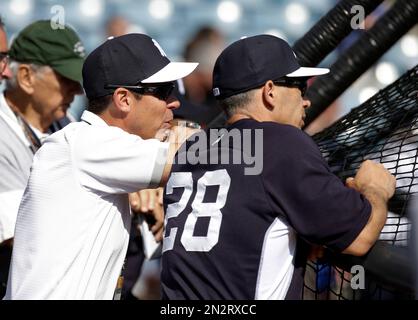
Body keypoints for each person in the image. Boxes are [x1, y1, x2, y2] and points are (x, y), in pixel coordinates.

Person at [161, 34, 396, 299]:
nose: (305, 100)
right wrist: (375, 189)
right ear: (270, 92)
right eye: (299, 86)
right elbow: (360, 237)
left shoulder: (193, 147)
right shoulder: (281, 142)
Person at [4, 33, 198, 300]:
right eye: (163, 91)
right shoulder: (87, 143)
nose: (174, 102)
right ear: (123, 99)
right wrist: (257, 135)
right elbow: (196, 156)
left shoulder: (90, 146)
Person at [0, 20, 84, 296]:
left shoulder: (66, 122)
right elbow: (23, 230)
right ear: (25, 77)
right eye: (65, 78)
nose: (77, 89)